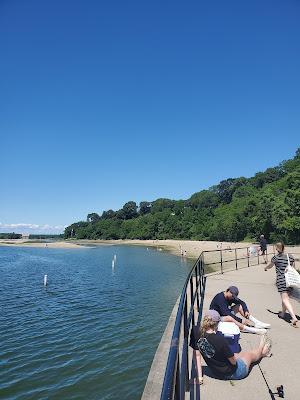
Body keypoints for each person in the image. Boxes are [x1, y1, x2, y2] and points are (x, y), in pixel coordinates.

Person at [190, 310, 272, 382]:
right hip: (234, 373)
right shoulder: (220, 339)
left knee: (239, 354)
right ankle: (262, 347)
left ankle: (262, 353)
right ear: (217, 324)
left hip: (216, 372)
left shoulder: (195, 331)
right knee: (249, 355)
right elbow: (233, 362)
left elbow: (197, 356)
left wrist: (199, 378)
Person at [264, 242, 298, 327]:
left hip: (281, 280)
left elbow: (270, 266)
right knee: (284, 298)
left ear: (277, 248)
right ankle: (283, 313)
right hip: (289, 281)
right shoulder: (290, 257)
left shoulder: (275, 258)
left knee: (285, 299)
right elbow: (293, 268)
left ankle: (293, 317)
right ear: (284, 248)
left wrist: (265, 268)